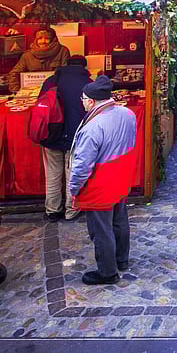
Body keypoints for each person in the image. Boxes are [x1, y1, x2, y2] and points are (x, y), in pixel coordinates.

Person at [69, 75, 136, 285]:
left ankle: (107, 272)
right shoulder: (128, 113)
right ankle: (121, 259)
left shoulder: (93, 127)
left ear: (91, 101)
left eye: (82, 99)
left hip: (100, 181)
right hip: (121, 174)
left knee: (101, 229)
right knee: (119, 219)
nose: (81, 102)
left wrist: (74, 188)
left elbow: (82, 166)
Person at [39, 56, 91, 221]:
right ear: (84, 67)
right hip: (75, 137)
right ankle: (71, 210)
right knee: (72, 173)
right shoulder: (89, 84)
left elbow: (40, 106)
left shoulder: (51, 81)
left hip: (52, 135)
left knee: (53, 174)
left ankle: (52, 210)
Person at [8, 27, 70, 92]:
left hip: (55, 92)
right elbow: (14, 73)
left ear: (53, 39)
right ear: (35, 40)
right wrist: (17, 91)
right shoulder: (27, 55)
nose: (43, 41)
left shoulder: (63, 51)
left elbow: (67, 73)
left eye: (47, 38)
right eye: (40, 38)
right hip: (32, 93)